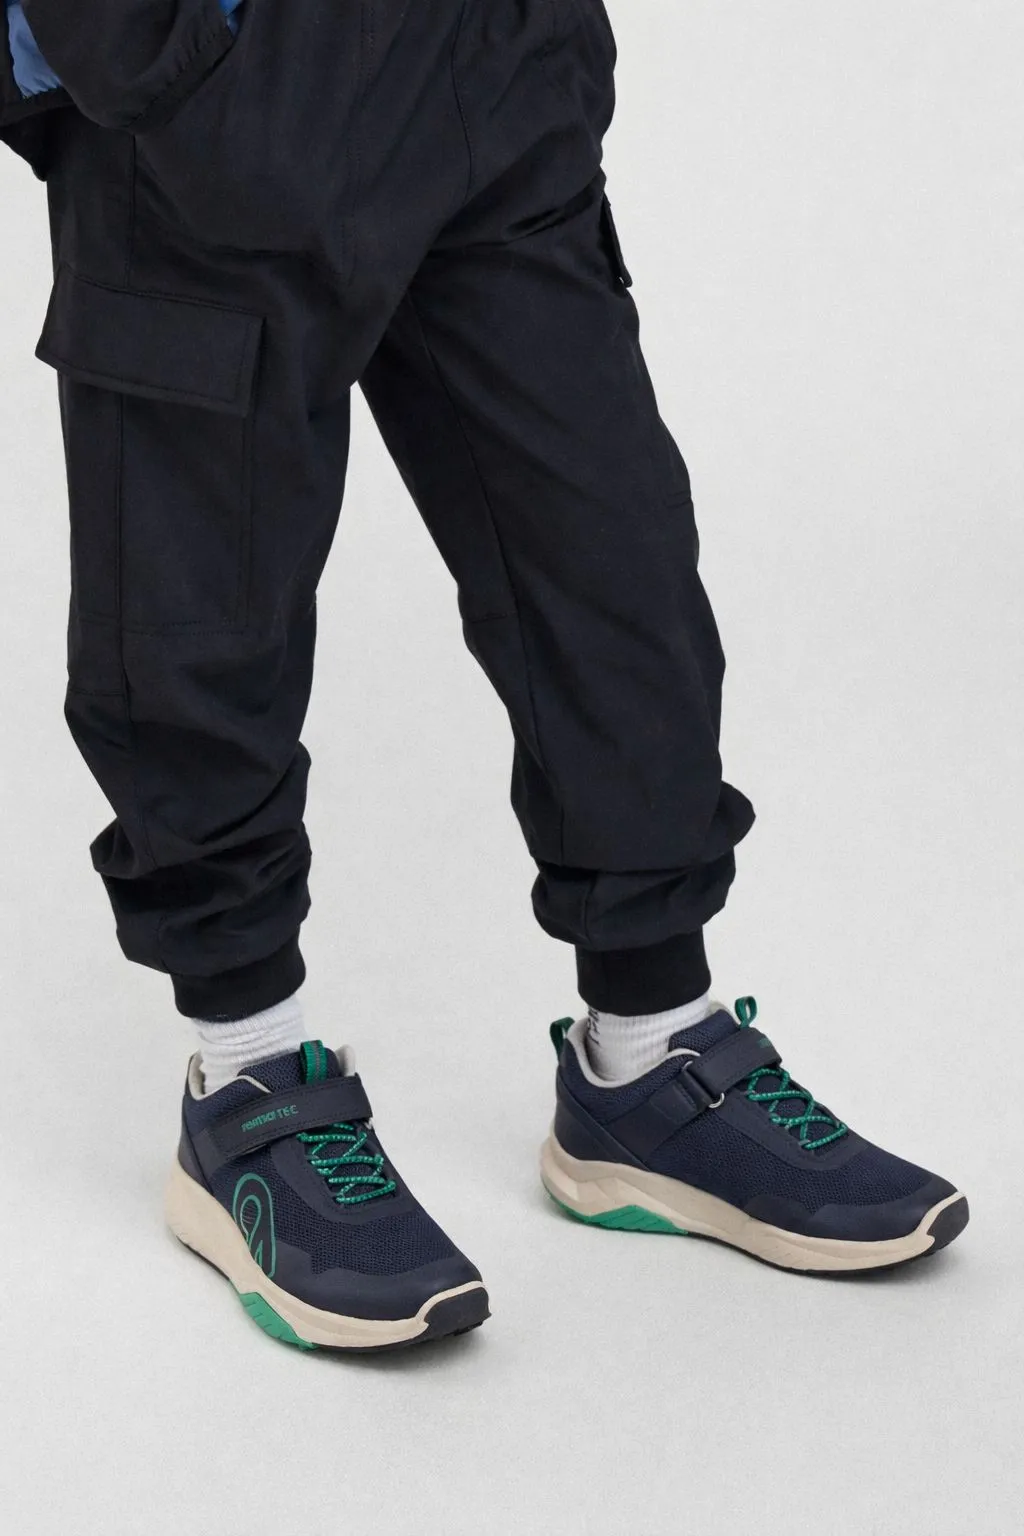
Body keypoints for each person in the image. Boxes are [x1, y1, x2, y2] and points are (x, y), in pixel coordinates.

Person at [1, 1, 968, 1353]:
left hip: (487, 65)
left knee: (610, 561)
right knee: (200, 607)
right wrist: (138, 48)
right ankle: (247, 1073)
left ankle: (648, 1050)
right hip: (221, 96)